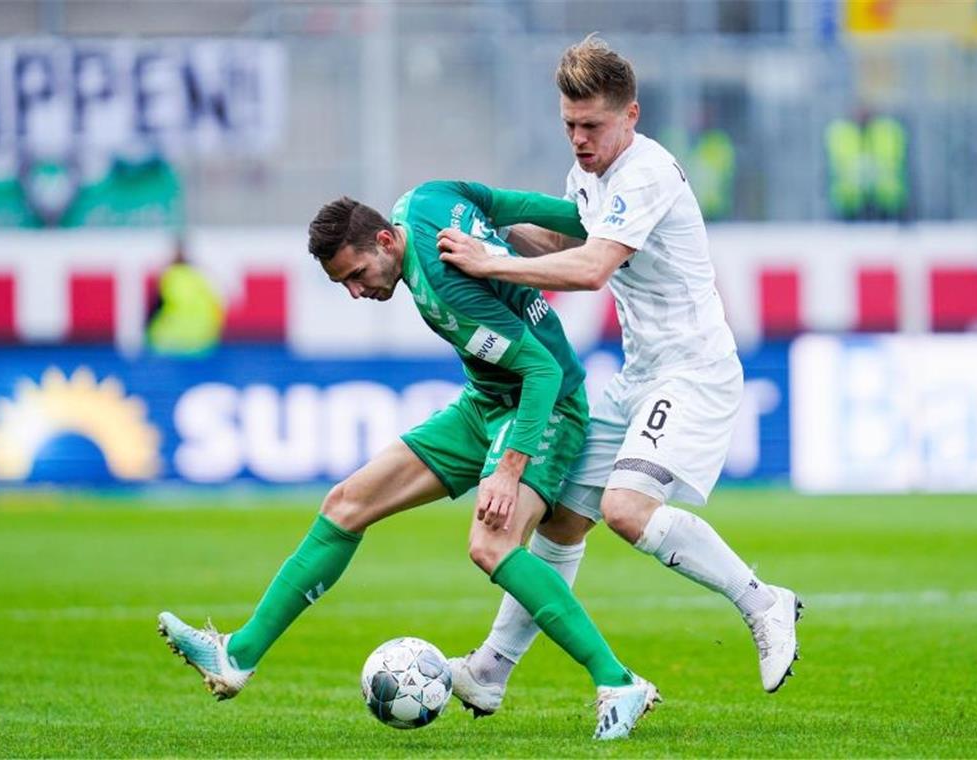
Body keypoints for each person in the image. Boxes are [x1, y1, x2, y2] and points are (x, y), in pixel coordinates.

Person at [157, 180, 660, 741]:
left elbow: (541, 370)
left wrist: (509, 468)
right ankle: (239, 656)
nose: (355, 291)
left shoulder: (444, 288)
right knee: (346, 504)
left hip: (544, 408)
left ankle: (617, 681)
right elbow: (502, 206)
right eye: (343, 283)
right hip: (485, 402)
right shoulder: (421, 201)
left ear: (383, 241)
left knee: (490, 544)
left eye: (356, 275)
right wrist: (588, 219)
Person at [436, 33, 802, 717]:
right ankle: (490, 669)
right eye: (570, 125)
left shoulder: (647, 172)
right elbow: (571, 241)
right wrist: (488, 228)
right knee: (564, 520)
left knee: (625, 510)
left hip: (692, 370)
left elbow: (591, 268)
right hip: (640, 374)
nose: (579, 138)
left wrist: (490, 262)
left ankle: (763, 601)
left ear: (631, 116)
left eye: (592, 125)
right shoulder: (591, 175)